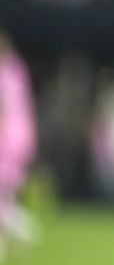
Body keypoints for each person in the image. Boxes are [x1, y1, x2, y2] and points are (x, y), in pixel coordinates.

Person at [0, 30, 38, 260]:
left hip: (7, 136)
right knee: (6, 196)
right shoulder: (17, 68)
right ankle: (18, 232)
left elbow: (3, 108)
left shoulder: (5, 72)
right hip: (23, 135)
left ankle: (23, 230)